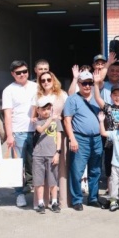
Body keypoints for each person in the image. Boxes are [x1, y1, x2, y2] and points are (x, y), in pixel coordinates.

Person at [63, 70, 103, 211]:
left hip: (97, 139)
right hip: (80, 138)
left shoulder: (98, 98)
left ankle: (93, 198)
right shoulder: (72, 99)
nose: (87, 86)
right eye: (84, 83)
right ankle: (77, 200)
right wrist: (72, 139)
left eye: (90, 83)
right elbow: (67, 121)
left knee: (96, 170)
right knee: (77, 171)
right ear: (79, 83)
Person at [2, 60, 39, 208]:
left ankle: (38, 193)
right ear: (13, 74)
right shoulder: (8, 90)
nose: (22, 74)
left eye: (24, 71)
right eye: (18, 73)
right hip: (19, 132)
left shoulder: (36, 86)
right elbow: (7, 115)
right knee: (18, 165)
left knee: (36, 164)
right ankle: (19, 194)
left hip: (37, 131)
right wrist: (9, 135)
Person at [33, 70, 69, 207]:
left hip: (57, 132)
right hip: (42, 135)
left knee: (58, 170)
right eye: (43, 80)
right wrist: (35, 119)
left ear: (53, 80)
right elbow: (33, 114)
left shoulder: (62, 94)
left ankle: (59, 201)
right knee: (41, 172)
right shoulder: (37, 96)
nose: (46, 82)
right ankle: (42, 202)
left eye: (49, 79)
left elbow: (68, 112)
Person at [31, 96, 62, 213]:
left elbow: (59, 137)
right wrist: (50, 120)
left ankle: (54, 201)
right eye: (43, 109)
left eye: (49, 108)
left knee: (53, 180)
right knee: (39, 181)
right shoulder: (37, 121)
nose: (46, 111)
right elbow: (40, 130)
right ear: (38, 110)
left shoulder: (57, 121)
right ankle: (40, 203)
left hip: (51, 154)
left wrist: (57, 153)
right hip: (38, 155)